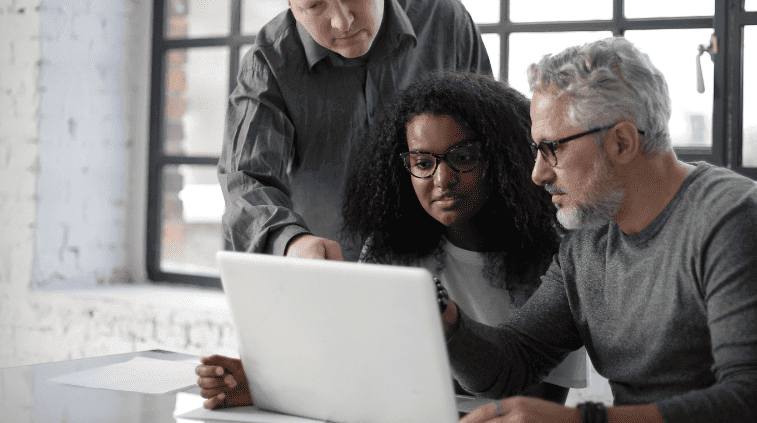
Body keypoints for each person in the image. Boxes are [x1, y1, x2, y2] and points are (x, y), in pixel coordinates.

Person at [441, 37, 757, 423]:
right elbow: (513, 360)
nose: (538, 174)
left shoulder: (737, 223)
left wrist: (582, 422)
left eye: (551, 149)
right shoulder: (588, 239)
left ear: (621, 143)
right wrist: (443, 318)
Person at [196, 72, 588, 409]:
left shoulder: (555, 261)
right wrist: (264, 384)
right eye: (422, 162)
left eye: (464, 157)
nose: (442, 179)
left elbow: (538, 407)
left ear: (502, 160)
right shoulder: (391, 251)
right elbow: (355, 363)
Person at [218, 0, 492, 262]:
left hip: (454, 265)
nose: (341, 21)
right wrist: (291, 241)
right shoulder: (269, 59)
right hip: (330, 272)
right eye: (314, 5)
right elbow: (245, 179)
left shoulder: (446, 22)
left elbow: (493, 144)